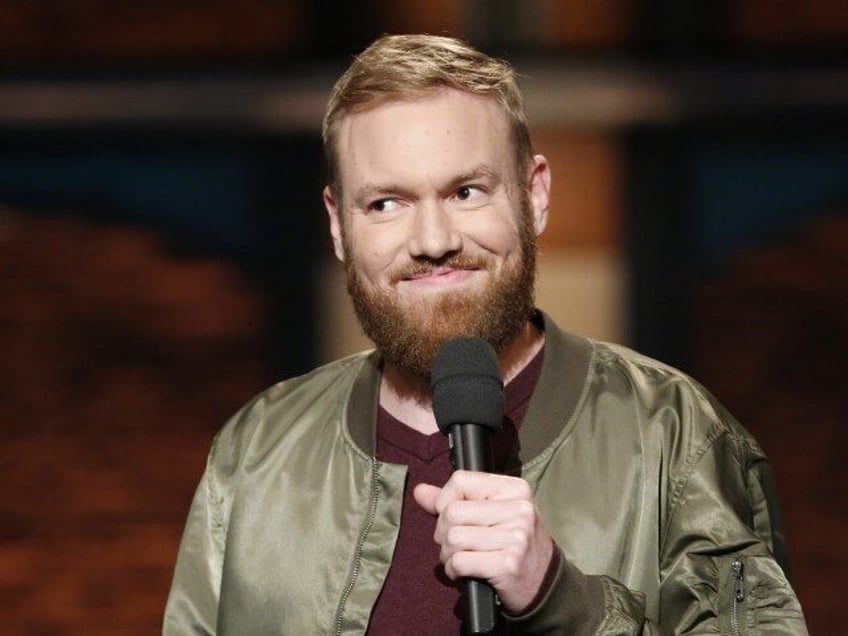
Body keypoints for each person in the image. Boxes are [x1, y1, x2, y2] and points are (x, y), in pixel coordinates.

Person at [163, 34, 808, 635]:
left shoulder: (674, 434)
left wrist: (558, 595)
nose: (434, 241)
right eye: (386, 203)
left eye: (467, 191)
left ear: (535, 195)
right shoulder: (255, 450)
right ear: (338, 224)